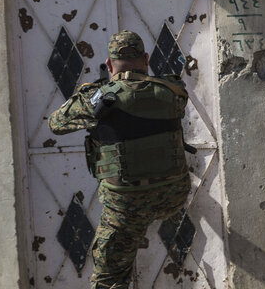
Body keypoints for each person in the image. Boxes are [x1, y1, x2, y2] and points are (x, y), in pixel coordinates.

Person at [48, 30, 192, 289]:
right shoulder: (172, 90)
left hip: (126, 206)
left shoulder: (101, 99)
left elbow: (56, 124)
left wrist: (96, 95)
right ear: (146, 59)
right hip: (173, 197)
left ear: (108, 63)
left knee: (109, 279)